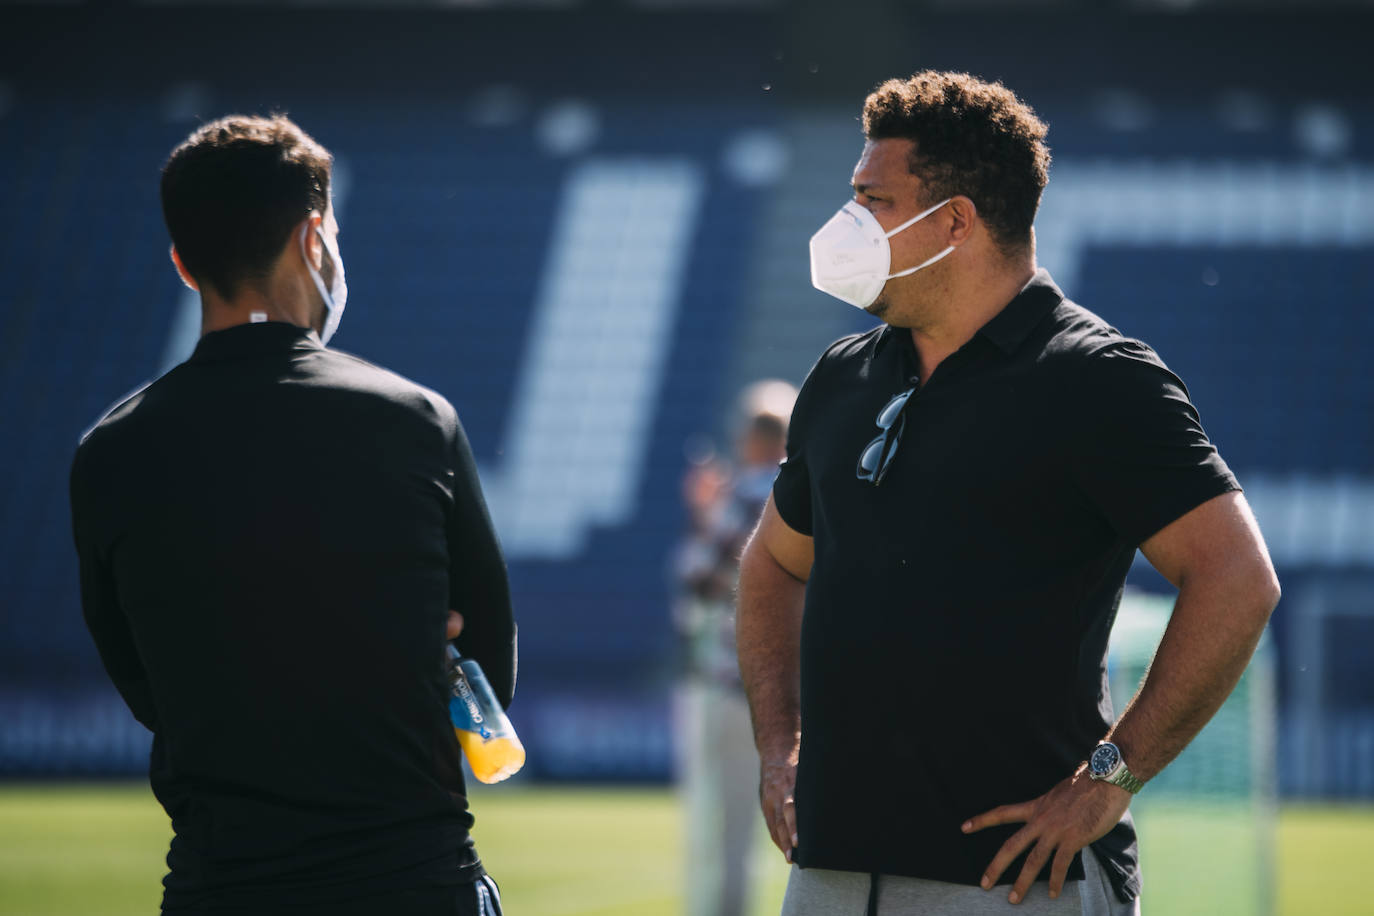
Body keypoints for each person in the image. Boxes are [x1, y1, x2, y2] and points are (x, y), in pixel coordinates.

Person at [735, 71, 1280, 916]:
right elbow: (772, 564)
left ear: (954, 221)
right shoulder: (844, 375)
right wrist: (779, 744)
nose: (847, 223)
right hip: (829, 872)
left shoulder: (1096, 378)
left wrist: (1109, 779)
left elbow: (1238, 579)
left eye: (873, 199)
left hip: (1014, 884)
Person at [69, 115, 515, 916]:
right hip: (411, 877)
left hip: (219, 886)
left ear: (182, 263)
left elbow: (141, 681)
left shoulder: (111, 451)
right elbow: (488, 668)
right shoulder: (412, 420)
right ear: (315, 240)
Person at [672, 380, 798, 916]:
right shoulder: (803, 488)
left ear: (751, 439)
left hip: (735, 685)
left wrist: (704, 513)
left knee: (721, 836)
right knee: (769, 831)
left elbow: (698, 578)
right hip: (795, 684)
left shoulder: (746, 492)